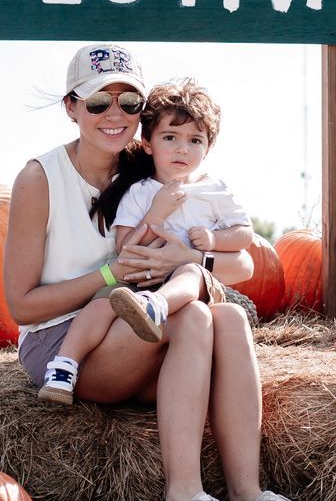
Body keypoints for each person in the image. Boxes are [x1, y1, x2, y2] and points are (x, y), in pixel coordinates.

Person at [4, 43, 324, 501]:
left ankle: (247, 492)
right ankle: (182, 498)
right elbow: (21, 305)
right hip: (66, 339)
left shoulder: (151, 166)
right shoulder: (41, 178)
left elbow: (241, 264)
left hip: (145, 327)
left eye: (129, 103)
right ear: (71, 108)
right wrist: (114, 274)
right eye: (97, 102)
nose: (115, 115)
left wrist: (191, 257)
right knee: (194, 315)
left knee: (231, 317)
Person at [36, 80, 251, 405]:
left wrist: (211, 240)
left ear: (208, 147)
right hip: (135, 284)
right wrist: (156, 212)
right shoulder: (140, 192)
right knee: (98, 306)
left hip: (185, 287)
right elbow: (126, 246)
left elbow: (244, 235)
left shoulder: (215, 191)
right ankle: (64, 368)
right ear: (148, 144)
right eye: (170, 138)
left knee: (190, 272)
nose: (182, 149)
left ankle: (158, 307)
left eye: (195, 140)